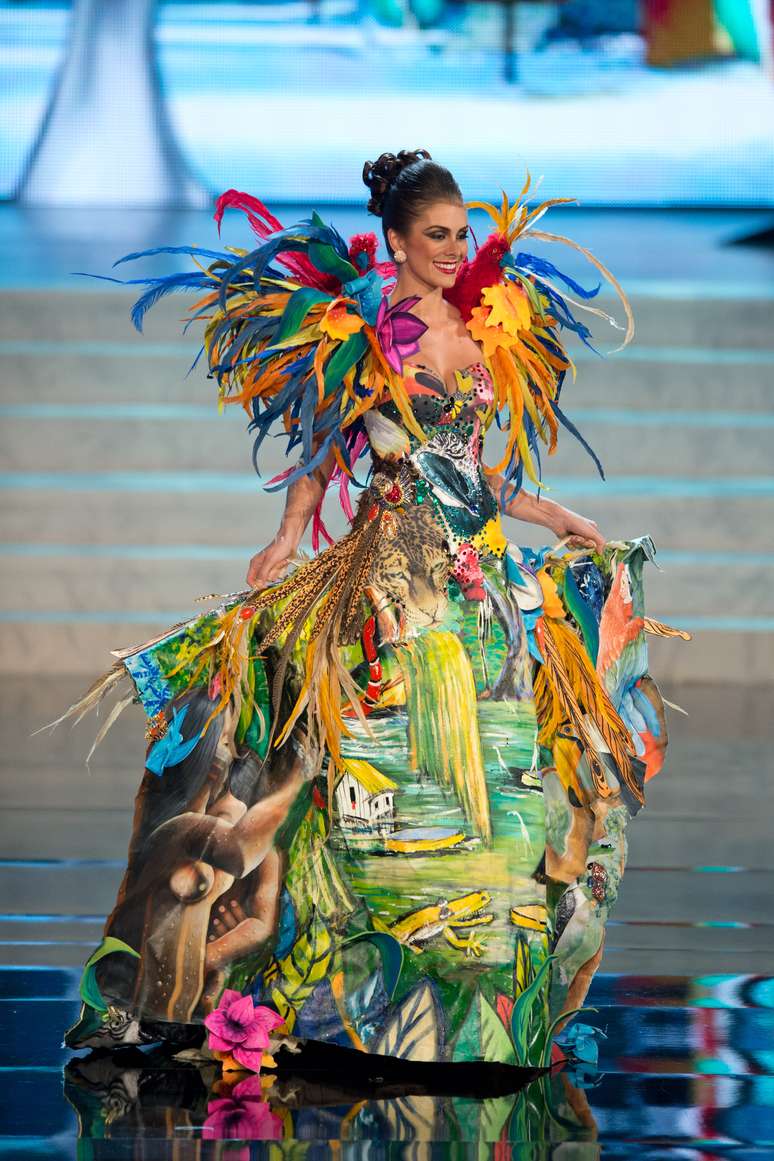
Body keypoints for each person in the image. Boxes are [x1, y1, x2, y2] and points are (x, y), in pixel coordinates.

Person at [63, 149, 682, 1082]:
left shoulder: (484, 327)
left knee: (502, 785)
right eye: (436, 235)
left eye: (463, 233)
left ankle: (477, 1019)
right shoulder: (357, 331)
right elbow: (321, 451)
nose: (454, 250)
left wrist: (551, 513)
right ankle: (331, 999)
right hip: (390, 584)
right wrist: (287, 534)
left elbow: (475, 467)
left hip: (480, 589)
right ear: (394, 238)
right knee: (348, 771)